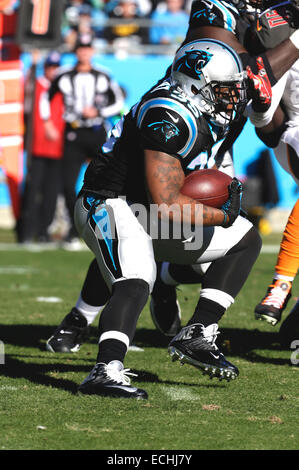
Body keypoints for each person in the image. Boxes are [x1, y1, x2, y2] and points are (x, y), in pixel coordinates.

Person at [48, 39, 263, 399]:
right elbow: (166, 203)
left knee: (245, 238)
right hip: (106, 203)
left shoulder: (189, 101)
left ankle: (198, 332)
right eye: (224, 89)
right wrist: (218, 214)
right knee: (136, 278)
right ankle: (106, 369)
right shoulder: (168, 116)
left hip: (142, 206)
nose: (231, 98)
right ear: (196, 85)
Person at [44, 33, 125, 248]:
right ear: (76, 51)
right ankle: (73, 230)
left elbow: (118, 101)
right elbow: (46, 97)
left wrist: (98, 110)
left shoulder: (103, 75)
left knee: (106, 181)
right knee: (68, 183)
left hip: (97, 131)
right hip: (74, 132)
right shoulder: (64, 75)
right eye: (81, 48)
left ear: (92, 51)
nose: (84, 52)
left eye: (88, 48)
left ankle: (109, 228)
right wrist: (47, 123)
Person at [18, 51, 65, 244]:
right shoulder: (37, 85)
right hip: (36, 147)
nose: (52, 71)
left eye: (56, 67)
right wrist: (33, 65)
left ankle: (44, 230)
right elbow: (27, 92)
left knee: (51, 193)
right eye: (50, 67)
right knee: (32, 189)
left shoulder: (63, 87)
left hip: (58, 148)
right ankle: (26, 230)